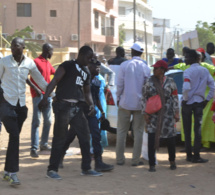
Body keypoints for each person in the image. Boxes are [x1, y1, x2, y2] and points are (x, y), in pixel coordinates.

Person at [38, 46, 102, 180]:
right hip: (63, 107)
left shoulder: (86, 72)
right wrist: (45, 98)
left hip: (77, 108)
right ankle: (52, 170)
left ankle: (86, 168)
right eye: (89, 58)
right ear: (81, 55)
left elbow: (87, 92)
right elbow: (54, 81)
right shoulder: (67, 65)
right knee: (59, 138)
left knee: (85, 137)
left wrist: (91, 105)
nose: (90, 61)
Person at [0, 37, 53, 185]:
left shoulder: (29, 63)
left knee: (13, 138)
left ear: (23, 47)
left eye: (16, 45)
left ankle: (6, 171)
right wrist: (2, 101)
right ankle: (13, 173)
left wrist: (53, 95)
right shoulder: (4, 62)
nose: (12, 47)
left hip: (21, 107)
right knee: (15, 136)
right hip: (6, 105)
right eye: (11, 45)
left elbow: (41, 81)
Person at [59, 60, 114, 172]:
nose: (98, 70)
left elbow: (97, 97)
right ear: (89, 67)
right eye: (96, 67)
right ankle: (59, 157)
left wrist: (102, 112)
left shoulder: (97, 81)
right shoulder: (82, 79)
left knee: (96, 135)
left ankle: (98, 162)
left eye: (99, 67)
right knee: (70, 136)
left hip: (92, 112)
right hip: (80, 112)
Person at [116, 42, 150, 166]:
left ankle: (120, 159)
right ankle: (135, 160)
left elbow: (120, 84)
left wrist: (118, 96)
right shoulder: (146, 67)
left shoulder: (124, 65)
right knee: (138, 131)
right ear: (141, 53)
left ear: (131, 51)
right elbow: (147, 87)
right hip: (140, 104)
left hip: (125, 102)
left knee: (121, 131)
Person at [142, 60, 179, 172]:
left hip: (168, 115)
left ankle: (172, 161)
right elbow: (144, 98)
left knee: (171, 139)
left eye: (157, 68)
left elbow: (175, 98)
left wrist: (176, 112)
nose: (154, 70)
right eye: (154, 68)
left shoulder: (171, 82)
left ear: (162, 70)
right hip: (153, 115)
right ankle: (152, 164)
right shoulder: (149, 82)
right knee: (152, 138)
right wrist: (145, 113)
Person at [174, 50, 215, 150]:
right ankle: (197, 153)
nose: (185, 59)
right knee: (198, 128)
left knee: (187, 128)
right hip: (201, 102)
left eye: (187, 57)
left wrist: (185, 99)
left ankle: (189, 151)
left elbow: (186, 87)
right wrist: (207, 99)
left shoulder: (188, 70)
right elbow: (213, 86)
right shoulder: (206, 69)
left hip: (188, 102)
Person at [29, 43, 55, 158]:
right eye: (51, 51)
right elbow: (29, 77)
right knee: (36, 122)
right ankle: (33, 148)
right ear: (47, 50)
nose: (52, 53)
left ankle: (43, 144)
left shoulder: (48, 63)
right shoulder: (35, 62)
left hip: (48, 96)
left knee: (48, 121)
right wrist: (35, 91)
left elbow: (56, 73)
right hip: (38, 96)